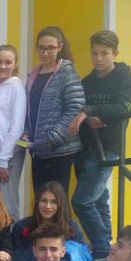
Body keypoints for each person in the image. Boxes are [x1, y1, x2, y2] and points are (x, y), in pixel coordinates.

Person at [68, 30, 131, 259]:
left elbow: (123, 107)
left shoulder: (123, 77)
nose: (98, 58)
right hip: (85, 147)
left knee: (82, 202)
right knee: (99, 200)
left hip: (107, 148)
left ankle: (102, 247)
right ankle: (107, 251)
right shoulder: (87, 81)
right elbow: (78, 109)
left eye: (104, 53)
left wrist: (92, 112)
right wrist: (88, 115)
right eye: (94, 53)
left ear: (115, 53)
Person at [26, 26, 85, 193]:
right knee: (40, 199)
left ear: (60, 47)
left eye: (50, 48)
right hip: (38, 151)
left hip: (60, 151)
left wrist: (52, 138)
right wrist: (26, 135)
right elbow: (28, 110)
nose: (45, 52)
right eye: (41, 48)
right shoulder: (33, 75)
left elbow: (75, 107)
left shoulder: (67, 73)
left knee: (56, 200)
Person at [0, 45, 27, 220]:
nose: (3, 66)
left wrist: (4, 158)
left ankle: (13, 237)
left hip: (8, 155)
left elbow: (17, 125)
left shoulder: (16, 87)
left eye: (8, 62)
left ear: (15, 64)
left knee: (7, 204)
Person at [12, 181, 85, 261]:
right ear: (37, 202)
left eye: (54, 202)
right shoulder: (22, 226)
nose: (48, 206)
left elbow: (81, 257)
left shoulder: (70, 226)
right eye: (44, 201)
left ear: (61, 204)